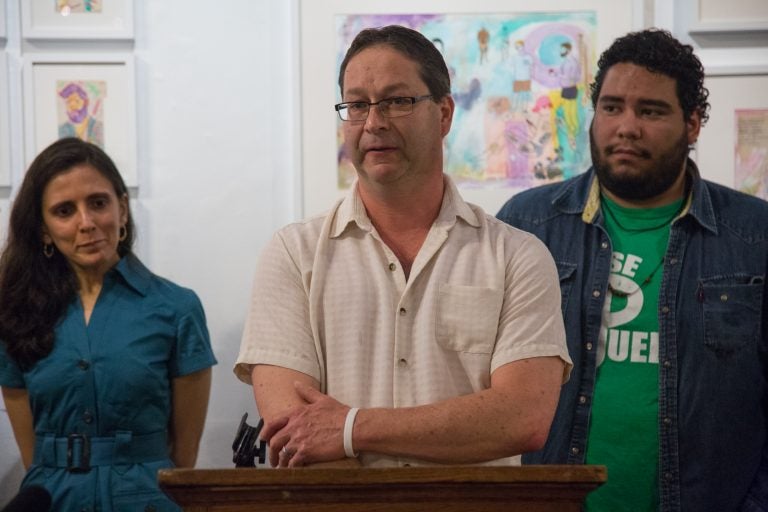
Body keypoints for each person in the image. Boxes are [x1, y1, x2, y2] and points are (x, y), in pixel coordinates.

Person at [234, 25, 572, 469]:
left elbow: (522, 418)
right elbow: (295, 432)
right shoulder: (294, 255)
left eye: (398, 100)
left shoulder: (517, 257)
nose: (374, 122)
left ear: (445, 113)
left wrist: (350, 429)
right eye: (357, 104)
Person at [497, 29, 767, 512]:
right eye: (612, 106)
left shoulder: (754, 236)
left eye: (651, 111)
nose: (627, 126)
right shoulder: (526, 224)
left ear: (693, 124)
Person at [0, 138, 217, 511]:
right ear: (43, 230)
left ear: (123, 208)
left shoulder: (177, 308)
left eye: (98, 203)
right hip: (52, 501)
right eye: (64, 211)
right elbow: (32, 451)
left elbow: (184, 455)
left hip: (149, 500)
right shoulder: (14, 314)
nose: (86, 223)